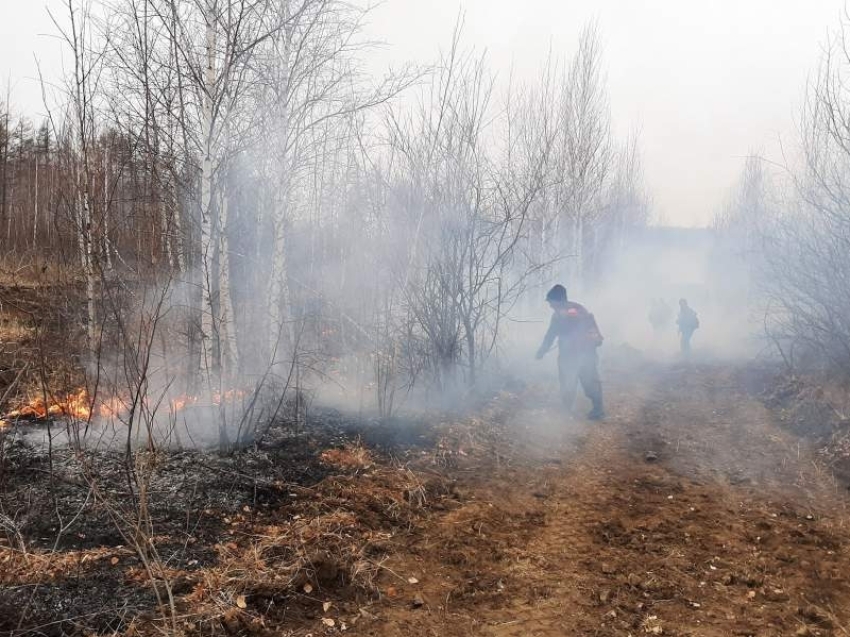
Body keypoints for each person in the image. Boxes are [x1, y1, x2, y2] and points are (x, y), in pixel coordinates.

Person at [535, 284, 605, 420]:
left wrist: (542, 351)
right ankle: (588, 409)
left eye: (551, 302)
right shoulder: (573, 311)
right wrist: (542, 350)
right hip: (578, 354)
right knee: (579, 381)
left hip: (578, 354)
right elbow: (551, 335)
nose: (550, 305)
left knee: (578, 381)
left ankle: (586, 410)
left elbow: (551, 335)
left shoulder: (565, 313)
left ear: (558, 300)